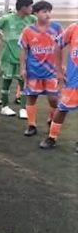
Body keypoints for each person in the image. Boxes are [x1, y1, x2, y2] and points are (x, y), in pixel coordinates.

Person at [19, 1, 62, 137]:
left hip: (51, 71)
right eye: (44, 11)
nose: (47, 14)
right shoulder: (28, 31)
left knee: (53, 98)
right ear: (36, 13)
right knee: (31, 97)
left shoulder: (56, 28)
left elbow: (62, 47)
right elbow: (24, 50)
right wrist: (23, 68)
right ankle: (31, 125)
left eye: (49, 11)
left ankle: (52, 120)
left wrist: (62, 65)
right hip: (34, 71)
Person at [39, 20, 78, 149]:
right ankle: (52, 137)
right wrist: (59, 71)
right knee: (62, 108)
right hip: (73, 80)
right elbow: (57, 45)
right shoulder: (74, 28)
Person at [0, 0, 35, 118]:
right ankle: (5, 106)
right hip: (8, 55)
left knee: (23, 82)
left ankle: (23, 109)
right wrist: (2, 37)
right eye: (30, 6)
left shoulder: (32, 19)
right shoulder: (7, 19)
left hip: (24, 56)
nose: (32, 8)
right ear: (23, 7)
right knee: (6, 81)